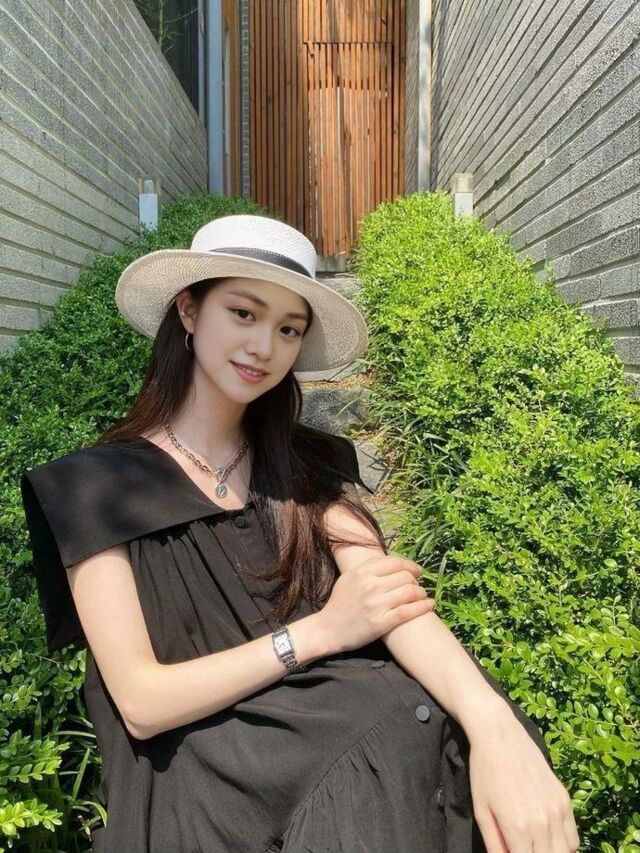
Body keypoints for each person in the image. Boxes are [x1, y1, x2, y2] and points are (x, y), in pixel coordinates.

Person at [20, 214, 579, 853]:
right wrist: (320, 634)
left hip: (364, 767)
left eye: (289, 329)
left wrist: (493, 724)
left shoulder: (305, 465)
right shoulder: (94, 487)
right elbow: (142, 703)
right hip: (212, 793)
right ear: (188, 310)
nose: (265, 346)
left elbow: (393, 603)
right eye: (243, 313)